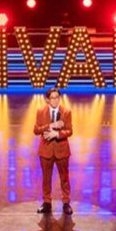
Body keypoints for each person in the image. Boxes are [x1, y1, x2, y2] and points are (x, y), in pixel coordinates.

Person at [33, 87, 73, 215]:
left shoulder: (66, 112)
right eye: (53, 98)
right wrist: (51, 125)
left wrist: (57, 134)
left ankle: (66, 203)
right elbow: (36, 130)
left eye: (57, 97)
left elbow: (69, 131)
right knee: (46, 178)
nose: (55, 100)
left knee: (64, 178)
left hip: (62, 150)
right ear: (47, 100)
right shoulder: (41, 111)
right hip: (46, 150)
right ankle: (47, 202)